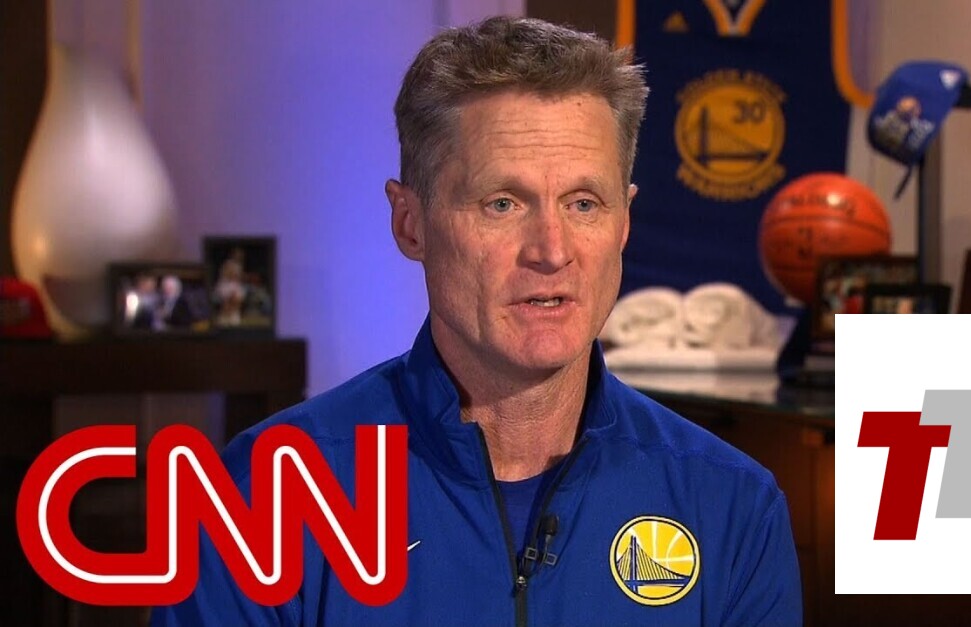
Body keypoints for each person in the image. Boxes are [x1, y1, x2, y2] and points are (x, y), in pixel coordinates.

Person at [152, 16, 801, 626]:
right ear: (410, 223)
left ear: (624, 222)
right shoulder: (259, 497)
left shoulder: (731, 506)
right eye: (502, 203)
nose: (551, 250)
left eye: (583, 203)